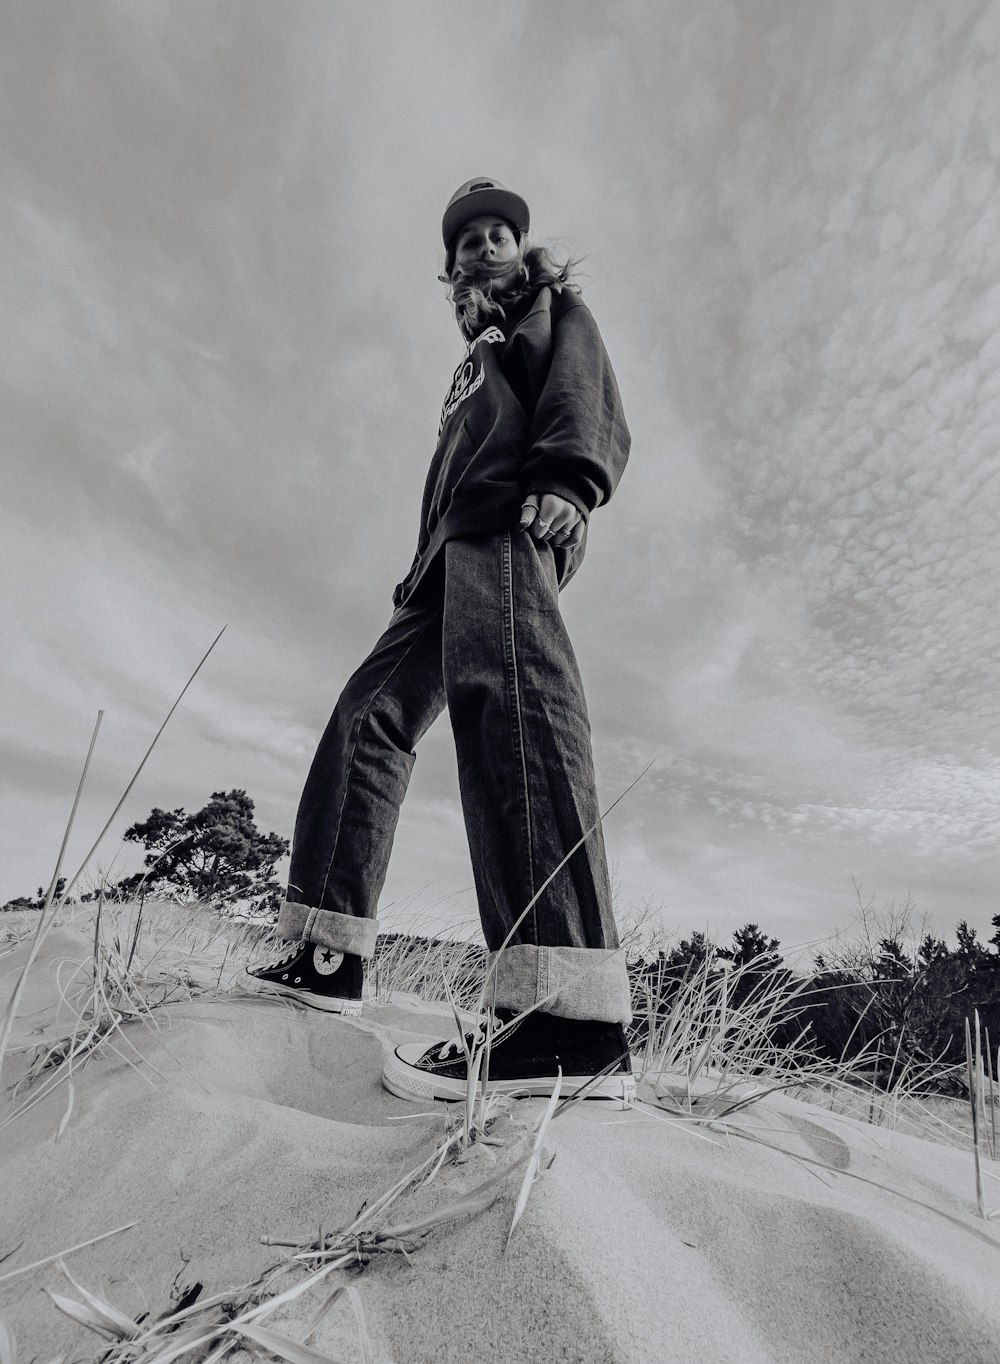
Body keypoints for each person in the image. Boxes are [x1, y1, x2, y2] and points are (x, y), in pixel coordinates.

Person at [249, 177, 634, 1103]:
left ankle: (566, 1017)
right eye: (468, 239)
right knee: (366, 718)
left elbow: (588, 395)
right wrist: (421, 562)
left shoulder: (552, 310)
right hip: (442, 556)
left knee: (507, 702)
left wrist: (571, 483)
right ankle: (329, 952)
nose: (484, 246)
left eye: (500, 234)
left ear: (521, 249)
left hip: (511, 519)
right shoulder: (471, 356)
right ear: (451, 264)